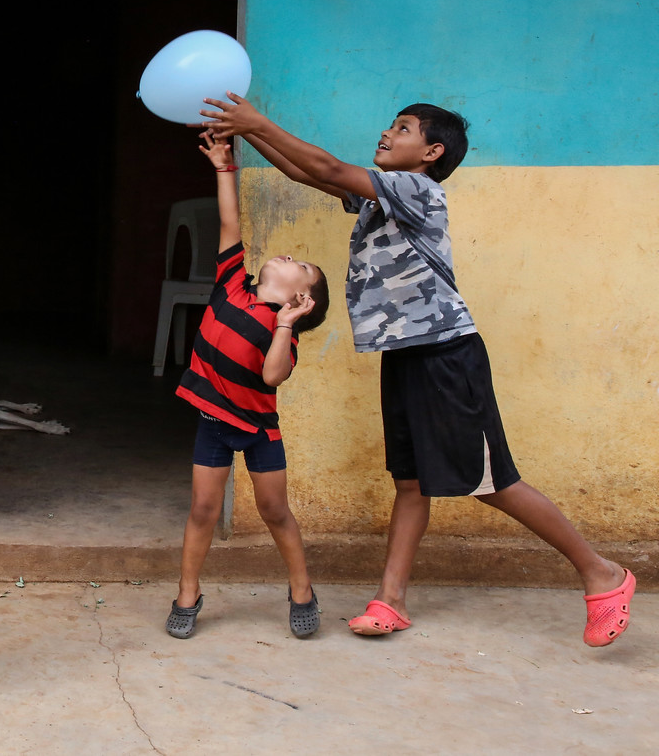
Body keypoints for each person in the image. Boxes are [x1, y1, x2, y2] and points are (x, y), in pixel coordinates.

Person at [202, 94, 635, 647]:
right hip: (406, 354)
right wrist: (246, 137)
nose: (386, 133)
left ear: (430, 152)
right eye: (389, 124)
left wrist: (256, 120)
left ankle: (602, 574)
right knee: (410, 482)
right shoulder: (382, 200)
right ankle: (391, 600)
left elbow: (330, 167)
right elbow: (312, 174)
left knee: (490, 483)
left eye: (401, 128)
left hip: (445, 355)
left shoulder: (418, 190)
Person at [167, 131, 331, 640]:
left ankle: (301, 589)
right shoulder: (231, 284)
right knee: (202, 510)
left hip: (259, 431)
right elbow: (231, 223)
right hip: (214, 424)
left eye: (300, 267)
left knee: (274, 511)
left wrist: (285, 324)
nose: (287, 257)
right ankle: (187, 594)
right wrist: (223, 168)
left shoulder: (281, 333)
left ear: (301, 299)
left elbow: (271, 376)